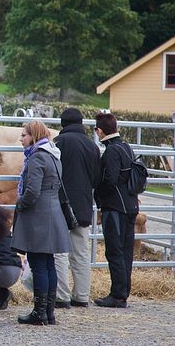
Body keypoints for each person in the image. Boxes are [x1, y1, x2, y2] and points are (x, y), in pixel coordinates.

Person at [11, 120, 71, 326]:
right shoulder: (54, 156)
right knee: (48, 264)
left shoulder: (37, 158)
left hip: (38, 215)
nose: (21, 139)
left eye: (24, 135)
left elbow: (33, 191)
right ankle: (49, 312)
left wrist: (20, 204)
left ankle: (39, 312)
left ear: (34, 136)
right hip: (53, 212)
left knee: (38, 264)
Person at [53, 107, 101, 309]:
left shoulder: (59, 143)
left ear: (63, 124)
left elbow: (53, 173)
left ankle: (61, 296)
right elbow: (97, 178)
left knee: (60, 251)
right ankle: (81, 295)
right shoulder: (92, 146)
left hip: (61, 203)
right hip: (83, 204)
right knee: (81, 252)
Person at [93, 112, 138, 308]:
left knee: (114, 250)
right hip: (130, 205)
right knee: (126, 250)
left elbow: (110, 180)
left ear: (99, 131)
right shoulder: (126, 147)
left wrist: (97, 193)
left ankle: (118, 294)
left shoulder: (111, 151)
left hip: (115, 207)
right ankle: (123, 291)